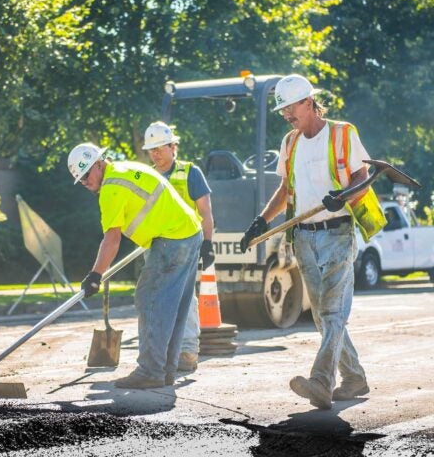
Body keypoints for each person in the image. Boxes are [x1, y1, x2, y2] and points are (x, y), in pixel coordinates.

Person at [240, 74, 386, 409]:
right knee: (322, 315)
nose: (286, 113)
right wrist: (261, 221)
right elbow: (285, 191)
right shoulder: (290, 143)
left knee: (333, 312)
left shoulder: (342, 133)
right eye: (282, 109)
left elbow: (361, 177)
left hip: (338, 231)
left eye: (291, 106)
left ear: (309, 102)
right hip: (303, 236)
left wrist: (344, 196)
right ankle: (355, 377)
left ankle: (321, 382)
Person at [68, 142, 202, 389]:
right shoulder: (125, 168)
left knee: (149, 298)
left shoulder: (111, 189)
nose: (86, 182)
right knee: (175, 305)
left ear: (99, 163)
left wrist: (95, 274)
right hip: (190, 232)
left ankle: (151, 371)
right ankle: (166, 371)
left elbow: (112, 238)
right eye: (81, 180)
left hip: (171, 239)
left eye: (86, 174)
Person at [143, 121, 215, 373]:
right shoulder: (147, 177)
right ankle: (159, 353)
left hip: (185, 244)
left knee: (185, 298)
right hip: (155, 245)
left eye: (160, 147)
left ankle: (186, 351)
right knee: (154, 299)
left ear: (173, 146)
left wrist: (208, 243)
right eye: (151, 149)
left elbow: (205, 211)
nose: (155, 153)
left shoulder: (190, 172)